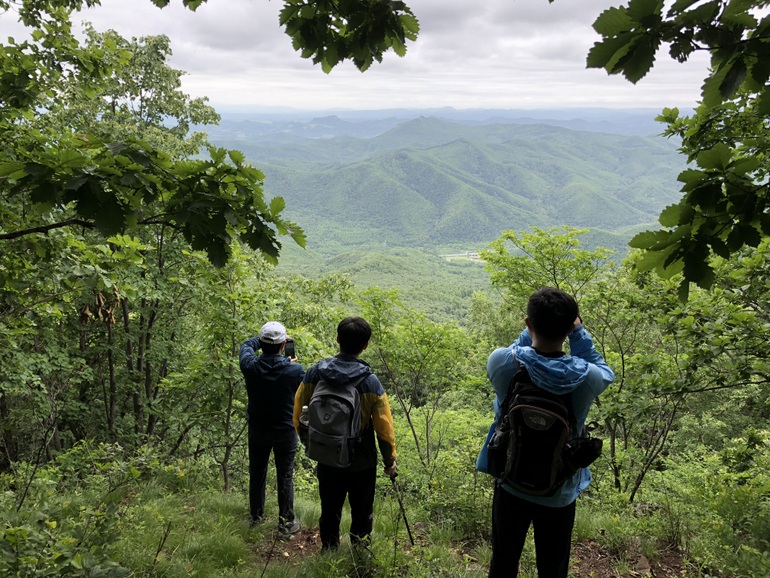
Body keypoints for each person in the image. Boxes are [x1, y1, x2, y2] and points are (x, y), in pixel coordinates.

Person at [477, 287, 614, 578]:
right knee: (553, 567)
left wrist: (533, 329)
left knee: (502, 562)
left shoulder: (502, 363)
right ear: (569, 329)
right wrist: (578, 334)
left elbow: (518, 350)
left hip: (510, 481)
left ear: (528, 323)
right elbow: (605, 370)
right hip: (559, 489)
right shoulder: (586, 377)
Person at [293, 316, 398, 551]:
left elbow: (298, 413)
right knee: (362, 511)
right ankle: (360, 554)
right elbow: (384, 429)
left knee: (330, 507)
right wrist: (389, 460)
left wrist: (311, 442)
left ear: (338, 339)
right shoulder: (370, 383)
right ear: (365, 345)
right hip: (361, 459)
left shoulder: (314, 374)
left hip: (327, 453)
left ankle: (328, 550)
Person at [240, 321, 305, 537]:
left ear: (263, 344)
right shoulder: (294, 371)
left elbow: (246, 346)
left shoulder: (250, 367)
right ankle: (286, 523)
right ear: (283, 343)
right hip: (285, 430)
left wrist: (264, 340)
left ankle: (256, 517)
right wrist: (285, 361)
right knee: (285, 474)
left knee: (257, 472)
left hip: (258, 428)